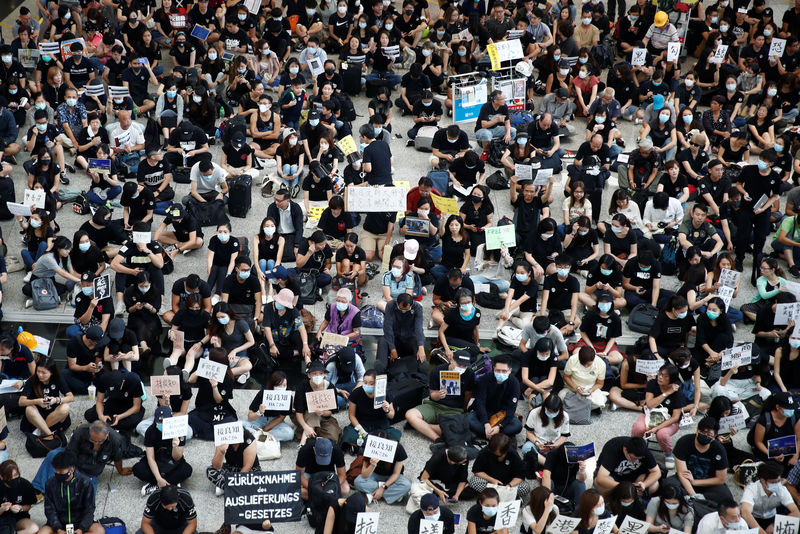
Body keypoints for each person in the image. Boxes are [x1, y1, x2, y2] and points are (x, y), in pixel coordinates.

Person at [405, 350, 474, 441]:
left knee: (455, 428)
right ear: (452, 360)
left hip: (454, 409)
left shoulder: (469, 374)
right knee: (410, 415)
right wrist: (438, 395)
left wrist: (464, 409)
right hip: (434, 405)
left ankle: (421, 426)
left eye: (464, 366)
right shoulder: (437, 370)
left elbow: (468, 394)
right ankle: (436, 439)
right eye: (459, 365)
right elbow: (432, 395)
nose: (461, 368)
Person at [39, 451, 104, 534]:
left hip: (79, 522)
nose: (57, 473)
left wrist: (81, 529)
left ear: (72, 470)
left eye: (61, 470)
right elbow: (49, 509)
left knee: (99, 531)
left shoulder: (85, 483)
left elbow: (89, 509)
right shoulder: (50, 483)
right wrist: (58, 529)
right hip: (60, 524)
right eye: (56, 470)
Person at [133, 406, 192, 496]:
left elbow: (177, 458)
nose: (161, 424)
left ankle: (156, 485)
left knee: (186, 470)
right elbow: (150, 458)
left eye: (164, 421)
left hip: (172, 462)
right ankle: (170, 483)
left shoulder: (178, 430)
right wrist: (158, 478)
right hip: (157, 460)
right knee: (138, 469)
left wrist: (175, 446)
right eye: (159, 421)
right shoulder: (150, 431)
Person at [672, 417, 732, 502]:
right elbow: (682, 473)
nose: (705, 435)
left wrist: (695, 482)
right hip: (685, 481)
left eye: (709, 434)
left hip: (708, 484)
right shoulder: (684, 442)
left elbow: (720, 479)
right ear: (697, 430)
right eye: (703, 432)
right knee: (669, 486)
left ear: (714, 436)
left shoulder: (719, 450)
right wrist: (693, 495)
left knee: (726, 498)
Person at [341, 370, 401, 451]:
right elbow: (351, 415)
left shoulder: (385, 394)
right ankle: (374, 447)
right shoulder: (356, 393)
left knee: (394, 436)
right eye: (365, 382)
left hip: (380, 425)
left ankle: (363, 447)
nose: (367, 385)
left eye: (371, 383)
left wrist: (386, 410)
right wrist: (361, 430)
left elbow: (392, 415)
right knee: (348, 435)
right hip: (362, 424)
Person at [19, 357, 73, 439]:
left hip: (53, 412)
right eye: (38, 371)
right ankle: (49, 434)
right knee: (29, 409)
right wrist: (37, 401)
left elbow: (71, 397)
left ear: (51, 373)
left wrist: (56, 400)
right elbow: (21, 401)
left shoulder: (57, 378)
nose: (40, 375)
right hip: (37, 413)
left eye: (44, 373)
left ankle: (41, 430)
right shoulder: (32, 380)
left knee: (65, 407)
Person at [468, 355, 522, 438]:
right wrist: (486, 424)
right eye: (498, 370)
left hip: (501, 415)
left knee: (517, 426)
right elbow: (480, 402)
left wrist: (499, 426)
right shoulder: (484, 379)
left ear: (510, 370)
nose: (500, 373)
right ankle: (496, 435)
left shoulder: (514, 383)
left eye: (504, 371)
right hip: (485, 412)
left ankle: (488, 433)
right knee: (469, 419)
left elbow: (511, 408)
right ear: (493, 368)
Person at [354, 430, 411, 504]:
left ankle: (372, 495)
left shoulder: (398, 448)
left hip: (392, 476)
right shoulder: (369, 447)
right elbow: (364, 475)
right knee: (358, 482)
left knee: (406, 485)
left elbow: (396, 473)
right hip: (375, 474)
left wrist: (383, 488)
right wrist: (372, 465)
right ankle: (392, 494)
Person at [741, 460, 800, 532]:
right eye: (773, 482)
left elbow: (796, 512)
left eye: (778, 481)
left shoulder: (782, 489)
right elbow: (745, 513)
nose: (777, 484)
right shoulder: (751, 489)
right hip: (754, 518)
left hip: (772, 518)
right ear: (763, 481)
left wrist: (774, 526)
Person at [84, 367, 145, 434]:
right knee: (89, 414)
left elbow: (136, 407)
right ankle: (113, 426)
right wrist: (101, 416)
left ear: (123, 382)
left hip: (129, 405)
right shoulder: (104, 378)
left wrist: (120, 417)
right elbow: (99, 401)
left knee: (132, 421)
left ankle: (107, 426)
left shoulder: (134, 380)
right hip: (113, 402)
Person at [594, 436, 661, 495]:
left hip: (634, 476)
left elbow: (657, 472)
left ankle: (634, 498)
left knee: (654, 485)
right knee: (599, 485)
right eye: (633, 458)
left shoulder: (643, 449)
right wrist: (624, 487)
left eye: (639, 459)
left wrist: (644, 484)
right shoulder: (613, 447)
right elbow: (601, 478)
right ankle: (614, 500)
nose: (635, 461)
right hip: (613, 477)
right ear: (625, 450)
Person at [206, 426, 260, 496]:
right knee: (210, 470)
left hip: (249, 470)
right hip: (232, 467)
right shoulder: (222, 440)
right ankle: (234, 489)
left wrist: (237, 481)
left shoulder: (249, 440)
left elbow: (248, 466)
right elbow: (216, 466)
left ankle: (226, 488)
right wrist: (221, 452)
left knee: (255, 479)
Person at [243, 370, 294, 441]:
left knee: (289, 433)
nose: (282, 387)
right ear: (272, 385)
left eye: (284, 385)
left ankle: (259, 437)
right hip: (259, 420)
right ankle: (264, 437)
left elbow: (281, 417)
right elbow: (250, 417)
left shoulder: (288, 397)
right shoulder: (263, 393)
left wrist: (265, 430)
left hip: (275, 421)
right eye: (279, 385)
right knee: (240, 425)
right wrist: (259, 412)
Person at [561, 346, 607, 410]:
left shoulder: (601, 364)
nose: (585, 366)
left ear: (593, 359)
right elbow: (566, 377)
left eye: (588, 365)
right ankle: (585, 407)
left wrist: (591, 390)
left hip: (590, 390)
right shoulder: (572, 359)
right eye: (583, 364)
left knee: (601, 402)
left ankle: (574, 406)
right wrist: (576, 387)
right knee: (561, 397)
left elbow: (600, 383)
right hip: (572, 389)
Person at [474, 90, 515, 155]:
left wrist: (508, 133)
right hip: (482, 130)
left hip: (495, 129)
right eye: (502, 99)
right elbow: (484, 125)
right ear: (495, 100)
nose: (504, 100)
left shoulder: (504, 106)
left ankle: (501, 148)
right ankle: (486, 153)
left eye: (504, 98)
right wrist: (497, 120)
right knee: (487, 134)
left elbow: (507, 121)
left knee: (513, 131)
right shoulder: (486, 107)